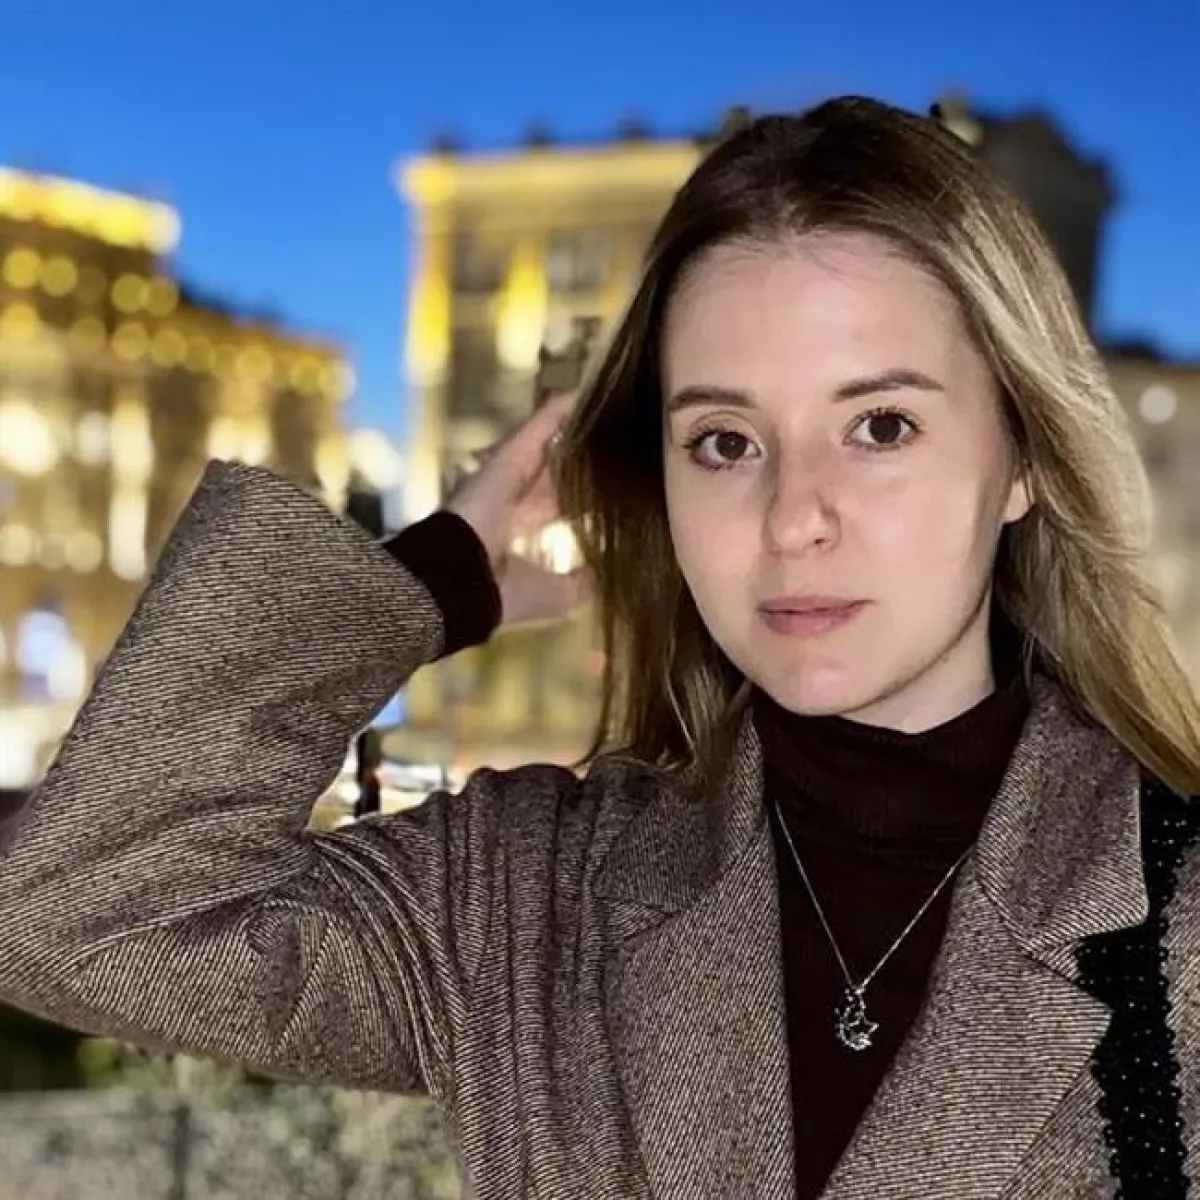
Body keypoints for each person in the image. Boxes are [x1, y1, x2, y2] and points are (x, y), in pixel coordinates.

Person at [0, 95, 1197, 1199]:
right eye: (725, 442)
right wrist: (431, 580)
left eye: (880, 427)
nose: (793, 518)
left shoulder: (1173, 917)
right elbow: (79, 917)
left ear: (1024, 460)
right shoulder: (530, 898)